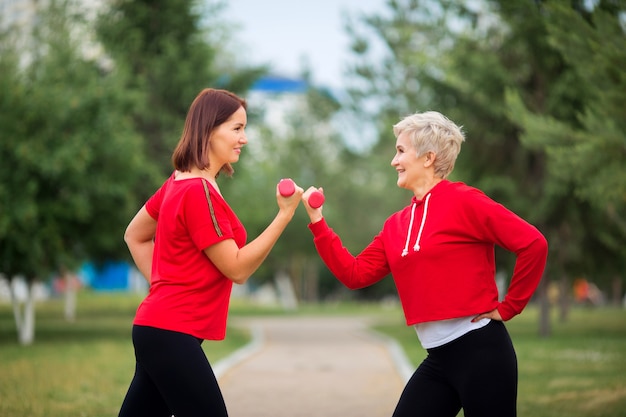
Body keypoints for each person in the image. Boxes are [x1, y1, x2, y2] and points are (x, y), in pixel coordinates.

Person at [301, 111, 548, 417]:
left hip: (482, 353)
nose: (394, 160)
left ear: (429, 158)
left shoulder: (465, 201)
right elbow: (355, 274)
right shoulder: (396, 225)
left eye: (401, 151)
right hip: (439, 359)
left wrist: (510, 306)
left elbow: (533, 243)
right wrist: (318, 221)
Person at [119, 88, 303, 417]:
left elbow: (134, 235)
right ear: (209, 129)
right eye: (237, 128)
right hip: (170, 332)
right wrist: (284, 215)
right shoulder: (199, 191)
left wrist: (163, 288)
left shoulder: (179, 182)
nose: (244, 138)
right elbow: (237, 268)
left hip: (158, 328)